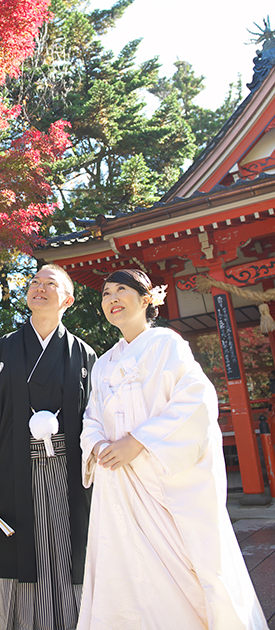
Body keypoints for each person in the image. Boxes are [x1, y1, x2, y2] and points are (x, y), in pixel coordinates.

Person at [77, 268, 268, 630]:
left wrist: (138, 441)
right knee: (124, 570)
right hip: (119, 483)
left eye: (121, 290)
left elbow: (195, 400)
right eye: (105, 293)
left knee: (189, 566)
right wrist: (99, 445)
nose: (112, 298)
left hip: (160, 479)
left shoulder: (167, 343)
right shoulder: (103, 364)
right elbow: (91, 417)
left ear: (147, 299)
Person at [0, 263, 96, 630]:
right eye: (34, 282)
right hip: (12, 473)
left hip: (70, 475)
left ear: (67, 298)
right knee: (17, 555)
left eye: (49, 284)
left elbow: (98, 424)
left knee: (70, 553)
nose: (38, 287)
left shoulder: (84, 356)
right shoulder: (0, 351)